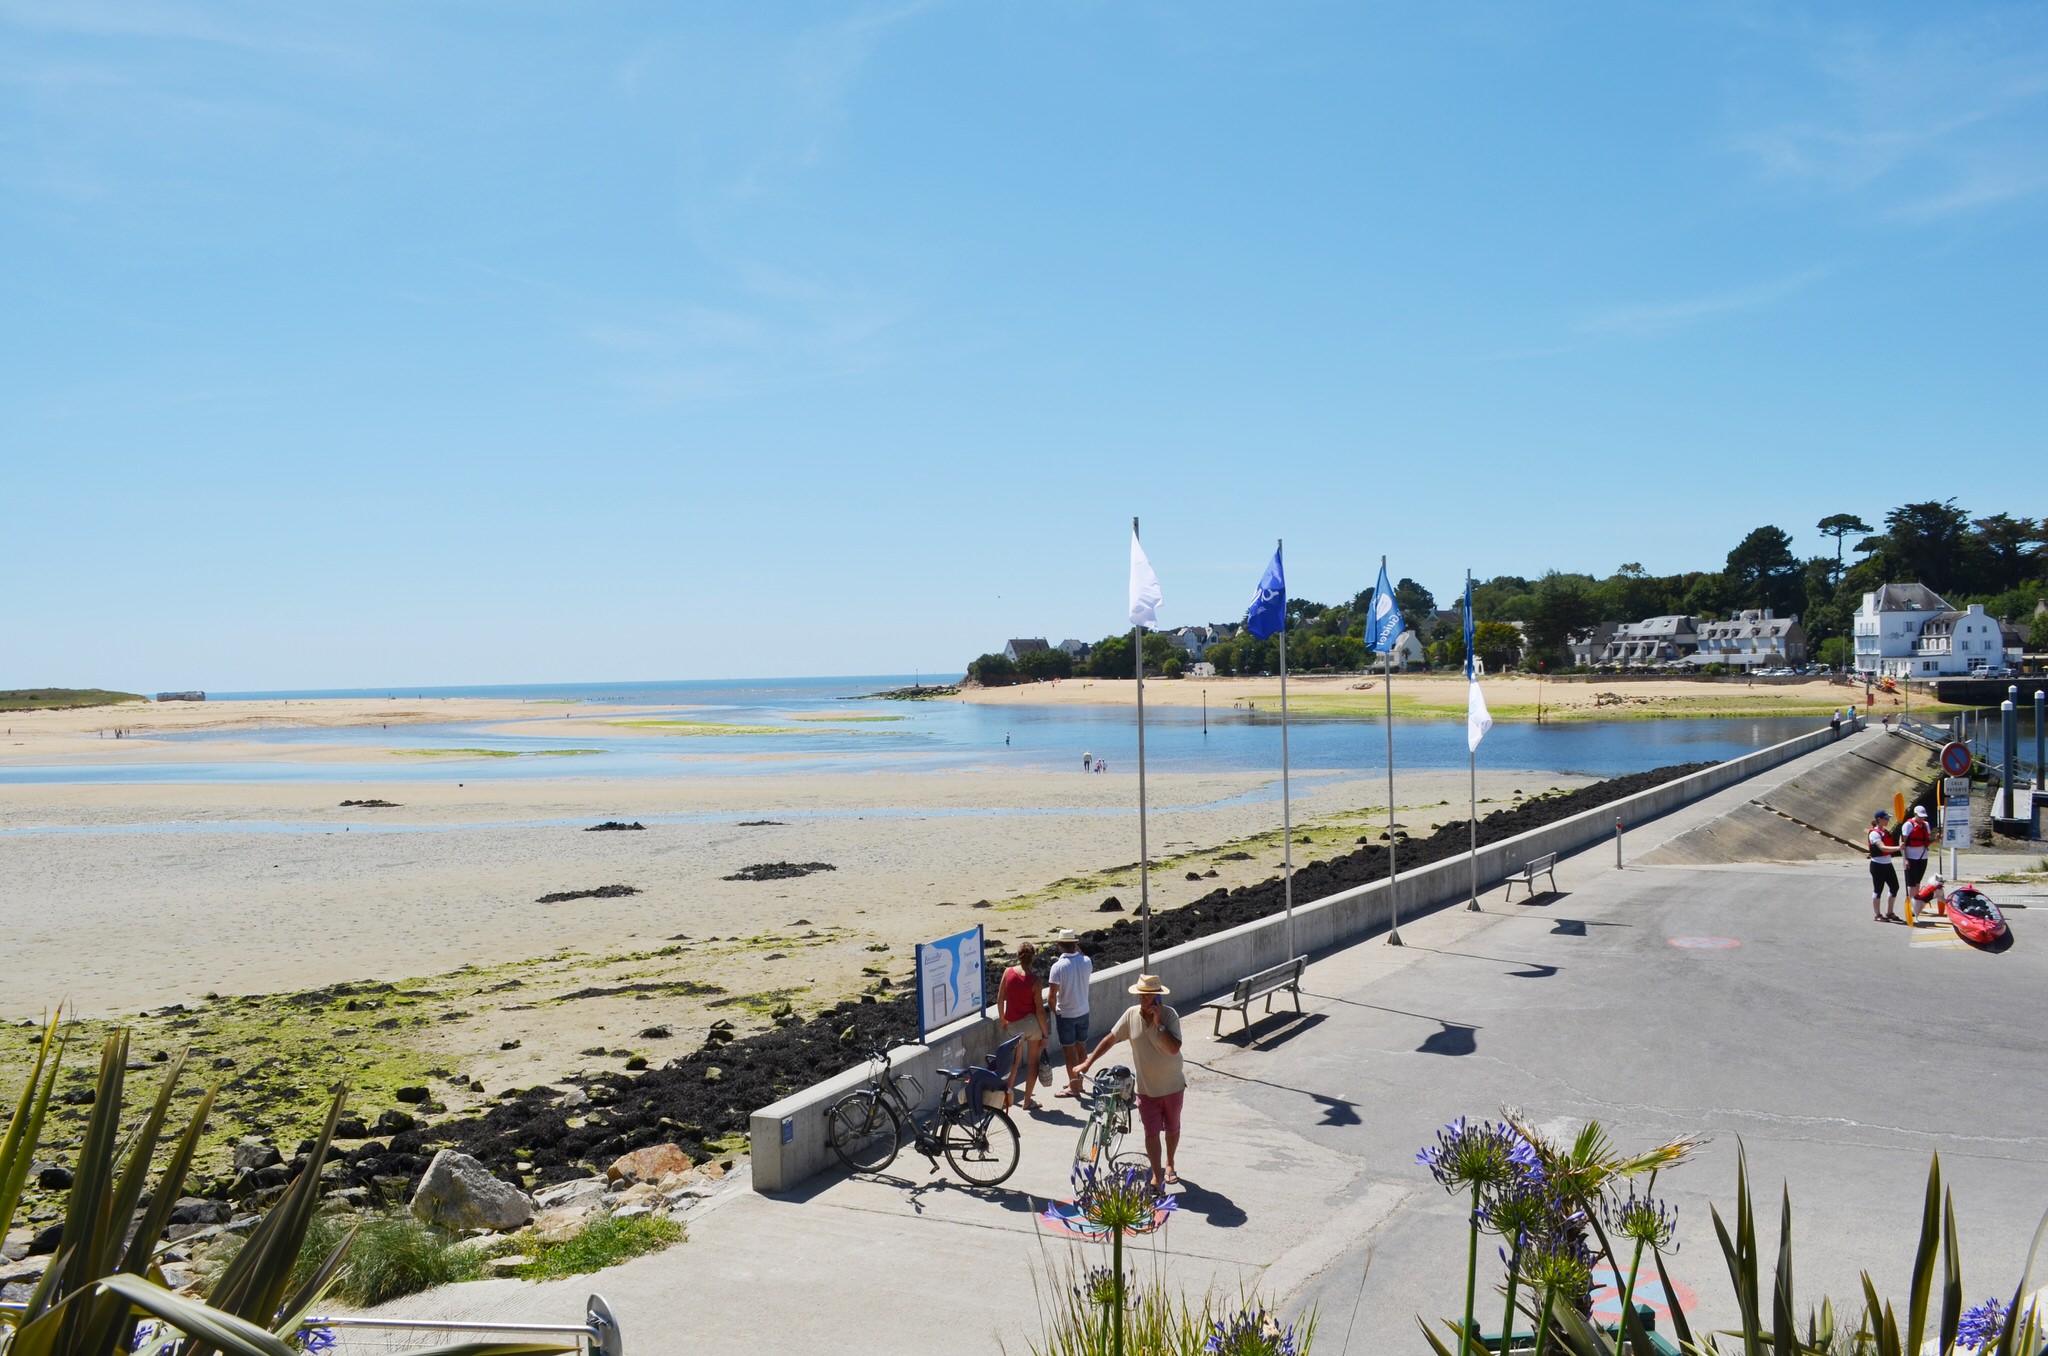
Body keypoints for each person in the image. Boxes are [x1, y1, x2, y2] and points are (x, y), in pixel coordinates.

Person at [1076, 973, 1184, 1188]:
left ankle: (1170, 1163)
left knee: (1172, 1128)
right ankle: (1156, 1175)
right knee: (1151, 1133)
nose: (1144, 999)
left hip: (1172, 1086)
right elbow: (1111, 1039)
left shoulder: (1169, 1016)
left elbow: (1174, 1049)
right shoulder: (1130, 1015)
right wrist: (1087, 1063)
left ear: (1157, 996)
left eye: (1148, 995)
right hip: (1146, 1088)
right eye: (1141, 995)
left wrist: (1159, 1024)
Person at [997, 942, 1048, 1110]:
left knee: (1015, 1062)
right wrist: (1045, 1034)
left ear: (1018, 956)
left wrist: (1003, 1019)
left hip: (1013, 1025)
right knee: (1033, 1062)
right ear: (1033, 957)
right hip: (1032, 1025)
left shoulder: (1007, 972)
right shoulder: (1036, 981)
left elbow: (1000, 999)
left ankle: (1006, 1097)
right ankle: (1027, 1101)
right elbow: (1040, 1011)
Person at [1044, 929, 1094, 1099]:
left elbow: (1051, 997)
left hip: (1066, 1014)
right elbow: (1082, 956)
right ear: (1075, 944)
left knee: (1069, 1052)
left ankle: (1074, 1087)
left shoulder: (1058, 967)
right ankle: (1078, 1082)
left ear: (1060, 945)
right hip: (1083, 1011)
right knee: (1082, 1047)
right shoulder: (1086, 961)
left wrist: (1054, 1011)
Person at [1868, 810, 1902, 923]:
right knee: (1878, 890)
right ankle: (1877, 914)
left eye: (1888, 818)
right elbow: (1882, 848)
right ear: (1879, 819)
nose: (1888, 820)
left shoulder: (1885, 832)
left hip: (1887, 864)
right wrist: (1898, 848)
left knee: (1895, 887)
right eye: (1886, 818)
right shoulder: (1874, 834)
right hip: (1877, 865)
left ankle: (1889, 912)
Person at [1901, 805, 1933, 895]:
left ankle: (1916, 901)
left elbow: (1926, 842)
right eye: (1920, 816)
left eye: (1923, 816)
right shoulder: (1908, 825)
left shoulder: (1926, 825)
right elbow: (1903, 844)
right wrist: (1905, 859)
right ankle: (1911, 903)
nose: (1922, 818)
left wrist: (1936, 839)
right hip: (1911, 857)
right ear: (1915, 814)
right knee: (1911, 883)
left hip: (1923, 857)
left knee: (1918, 881)